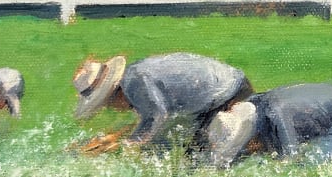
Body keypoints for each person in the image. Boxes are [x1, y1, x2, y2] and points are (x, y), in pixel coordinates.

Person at [73, 52, 254, 149]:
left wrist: (124, 146)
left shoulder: (134, 82)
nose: (114, 109)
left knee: (196, 157)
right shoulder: (135, 75)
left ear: (112, 94)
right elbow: (152, 117)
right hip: (227, 89)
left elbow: (156, 118)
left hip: (230, 96)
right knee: (183, 149)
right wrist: (118, 136)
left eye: (107, 103)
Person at [204, 82, 332, 167]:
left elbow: (290, 163)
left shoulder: (277, 119)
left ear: (252, 137)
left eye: (247, 146)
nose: (249, 150)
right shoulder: (253, 108)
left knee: (315, 167)